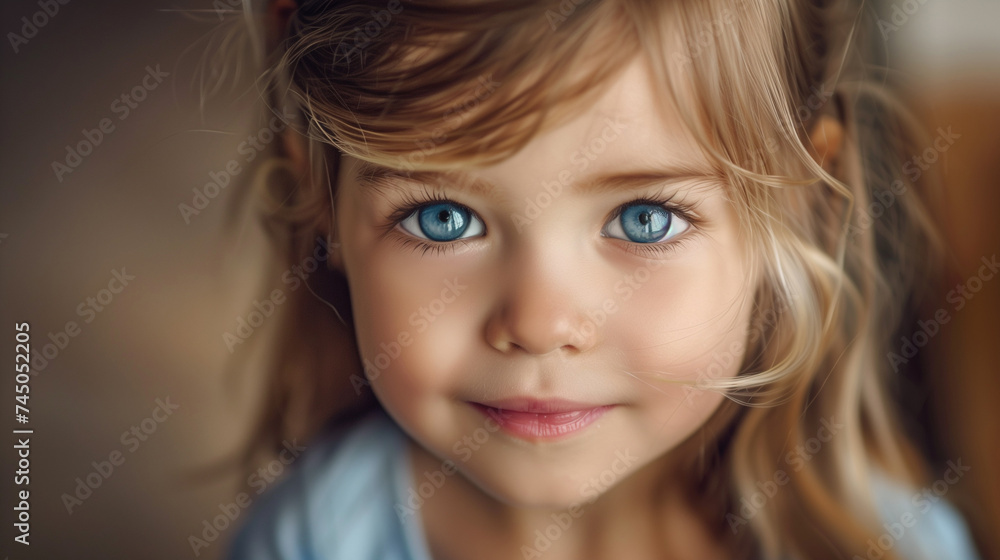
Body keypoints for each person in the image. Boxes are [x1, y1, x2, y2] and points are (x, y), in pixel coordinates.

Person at [220, 0, 982, 558]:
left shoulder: (892, 549)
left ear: (799, 206)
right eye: (442, 218)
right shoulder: (307, 542)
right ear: (322, 202)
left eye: (645, 219)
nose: (541, 322)